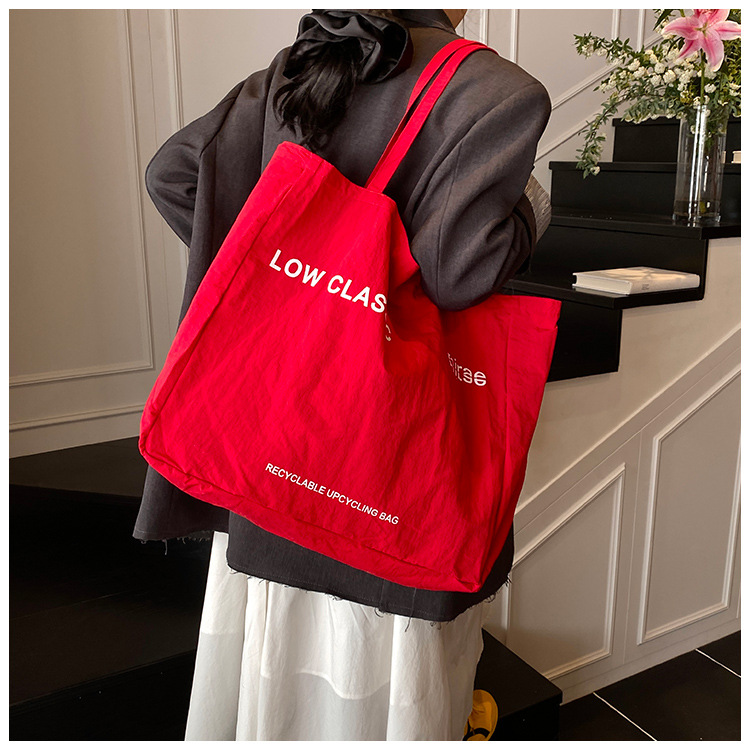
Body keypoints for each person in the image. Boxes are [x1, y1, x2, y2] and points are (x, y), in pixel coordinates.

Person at [134, 9, 552, 741]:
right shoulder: (497, 90)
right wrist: (534, 210)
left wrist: (273, 270)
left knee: (267, 699)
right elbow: (458, 271)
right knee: (385, 702)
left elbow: (172, 175)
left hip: (275, 461)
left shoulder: (306, 60)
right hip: (384, 485)